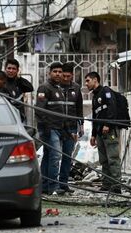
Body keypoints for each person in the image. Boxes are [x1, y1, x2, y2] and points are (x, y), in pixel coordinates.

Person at [84, 71, 122, 193]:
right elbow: (95, 117)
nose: (86, 84)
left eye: (88, 80)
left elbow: (112, 108)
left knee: (113, 158)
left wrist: (107, 124)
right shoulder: (95, 97)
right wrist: (93, 134)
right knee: (103, 160)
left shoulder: (106, 91)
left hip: (109, 131)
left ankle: (116, 186)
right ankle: (107, 184)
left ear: (95, 80)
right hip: (100, 132)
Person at [35, 62, 65, 195]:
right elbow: (40, 110)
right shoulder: (44, 88)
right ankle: (53, 186)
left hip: (58, 128)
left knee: (48, 156)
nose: (58, 74)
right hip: (49, 128)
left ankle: (45, 186)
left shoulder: (58, 89)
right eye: (55, 71)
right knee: (55, 156)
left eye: (60, 72)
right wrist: (46, 127)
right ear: (49, 73)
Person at [57, 62, 83, 195]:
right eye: (64, 76)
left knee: (67, 156)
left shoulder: (77, 88)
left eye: (68, 76)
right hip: (56, 127)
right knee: (54, 156)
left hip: (72, 127)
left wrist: (81, 125)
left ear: (72, 76)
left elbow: (79, 108)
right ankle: (51, 184)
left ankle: (63, 184)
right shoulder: (55, 87)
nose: (66, 78)